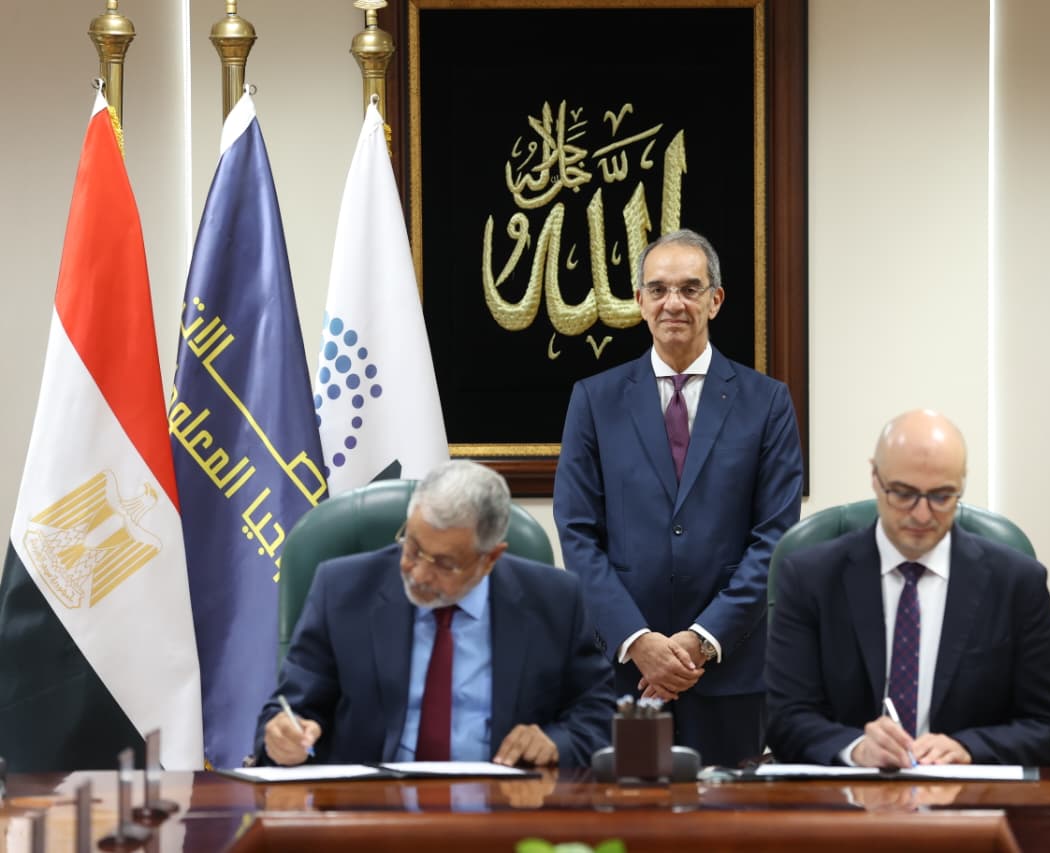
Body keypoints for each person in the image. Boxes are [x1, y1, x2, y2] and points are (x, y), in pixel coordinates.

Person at [554, 229, 804, 768]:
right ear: (639, 301)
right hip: (622, 673)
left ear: (715, 300)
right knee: (619, 816)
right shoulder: (594, 400)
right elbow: (577, 532)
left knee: (727, 817)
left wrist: (702, 639)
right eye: (659, 289)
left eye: (691, 289)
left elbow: (775, 537)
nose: (674, 303)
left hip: (729, 672)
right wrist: (637, 639)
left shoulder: (768, 402)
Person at [254, 460, 614, 768]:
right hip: (371, 809)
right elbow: (291, 708)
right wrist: (284, 735)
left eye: (445, 563)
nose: (420, 574)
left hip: (503, 806)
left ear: (490, 558)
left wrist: (557, 742)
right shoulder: (342, 590)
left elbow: (598, 712)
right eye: (412, 547)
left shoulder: (554, 601)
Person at [765, 410, 1050, 767]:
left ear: (961, 485)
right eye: (903, 493)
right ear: (875, 478)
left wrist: (968, 748)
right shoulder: (810, 578)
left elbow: (1049, 727)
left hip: (971, 796)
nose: (922, 514)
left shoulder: (1017, 583)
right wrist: (857, 749)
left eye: (942, 496)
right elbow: (784, 720)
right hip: (847, 794)